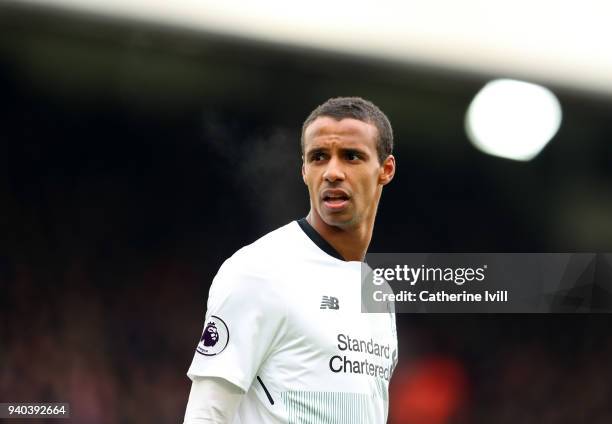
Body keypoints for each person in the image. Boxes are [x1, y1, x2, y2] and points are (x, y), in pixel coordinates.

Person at [184, 97, 398, 423]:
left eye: (351, 156)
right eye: (319, 157)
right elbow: (205, 415)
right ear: (304, 171)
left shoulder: (377, 292)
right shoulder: (259, 271)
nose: (332, 172)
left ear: (385, 170)